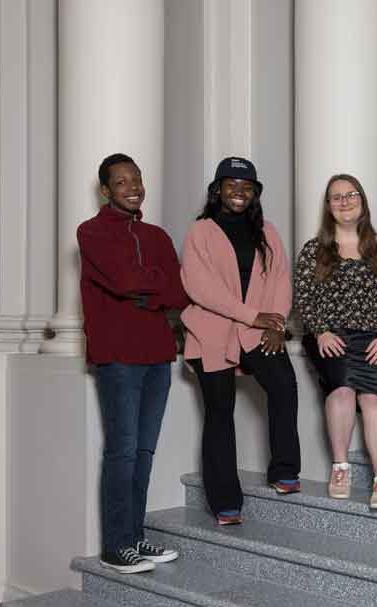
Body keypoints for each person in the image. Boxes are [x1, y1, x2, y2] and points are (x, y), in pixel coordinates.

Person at [78, 153, 188, 574]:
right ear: (106, 191)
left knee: (144, 451)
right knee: (122, 452)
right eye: (121, 182)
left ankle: (136, 538)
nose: (132, 187)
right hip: (118, 357)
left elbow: (178, 292)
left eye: (136, 179)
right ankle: (115, 545)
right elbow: (124, 281)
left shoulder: (157, 235)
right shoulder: (90, 232)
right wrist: (147, 283)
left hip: (158, 355)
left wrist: (152, 291)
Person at [181, 156, 301, 526]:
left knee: (284, 385)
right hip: (211, 330)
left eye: (247, 186)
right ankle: (225, 502)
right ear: (217, 190)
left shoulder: (268, 231)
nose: (239, 192)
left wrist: (276, 324)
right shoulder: (200, 231)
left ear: (255, 193)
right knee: (220, 413)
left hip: (259, 330)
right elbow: (201, 289)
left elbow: (281, 279)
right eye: (231, 184)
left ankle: (283, 469)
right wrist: (252, 316)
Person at [295, 174, 377, 509]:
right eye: (336, 197)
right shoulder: (315, 250)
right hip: (331, 338)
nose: (344, 202)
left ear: (362, 200)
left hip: (374, 339)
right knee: (342, 391)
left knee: (373, 400)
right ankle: (340, 468)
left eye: (351, 194)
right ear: (328, 207)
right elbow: (303, 297)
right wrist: (321, 330)